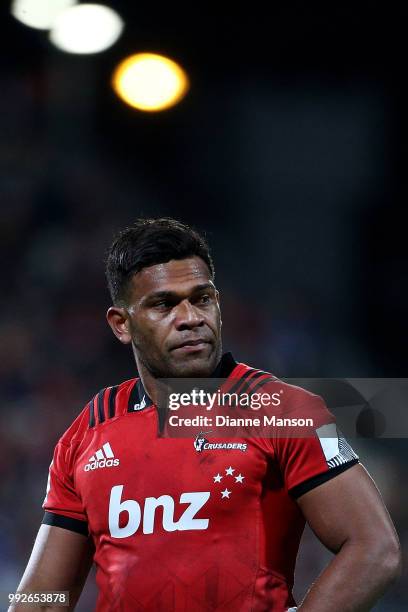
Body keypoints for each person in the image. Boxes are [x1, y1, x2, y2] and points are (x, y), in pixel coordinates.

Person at [10, 218, 401, 612]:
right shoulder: (88, 432)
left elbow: (374, 548)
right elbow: (42, 599)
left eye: (201, 299)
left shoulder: (285, 410)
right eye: (164, 304)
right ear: (121, 324)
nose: (191, 319)